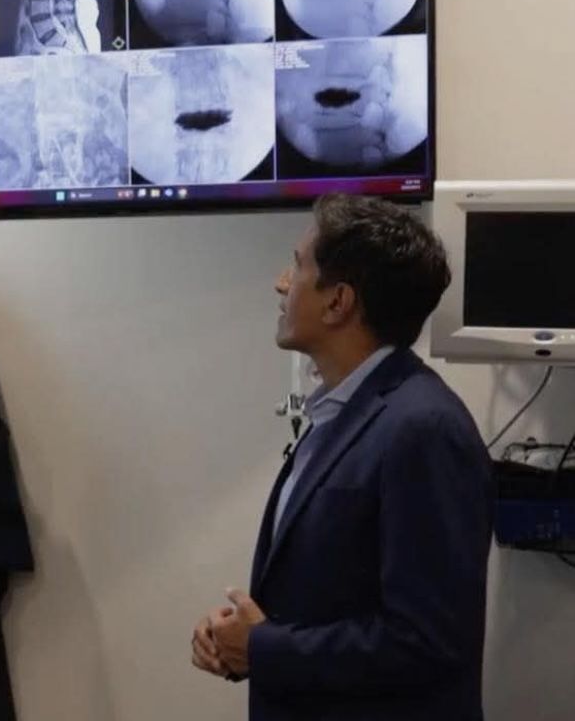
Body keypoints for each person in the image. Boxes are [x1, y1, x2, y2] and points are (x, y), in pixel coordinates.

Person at [191, 193, 493, 721]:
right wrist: (244, 642)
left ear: (339, 302)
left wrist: (264, 648)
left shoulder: (423, 428)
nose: (281, 283)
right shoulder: (343, 415)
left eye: (298, 266)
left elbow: (430, 640)